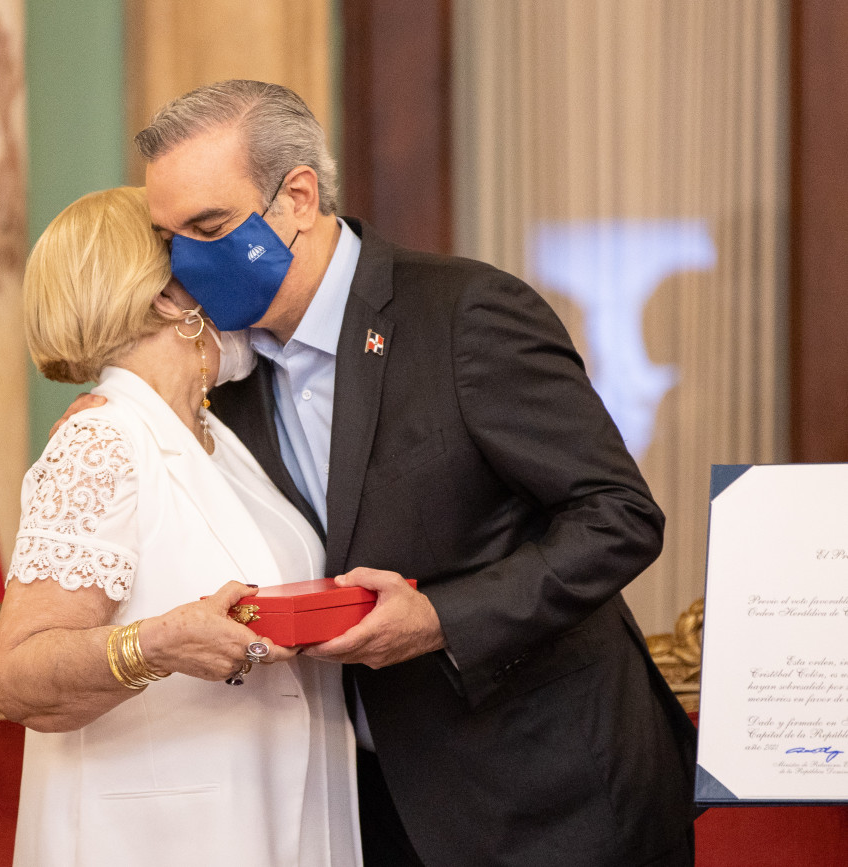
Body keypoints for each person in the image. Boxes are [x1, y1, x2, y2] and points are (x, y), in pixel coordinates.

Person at [63, 80, 698, 865]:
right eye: (169, 238)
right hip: (367, 808)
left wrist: (438, 617)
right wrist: (105, 414)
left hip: (548, 793)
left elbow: (619, 515)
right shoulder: (224, 371)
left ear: (298, 197)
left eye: (210, 227)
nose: (187, 263)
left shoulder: (464, 314)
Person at [0, 186, 361, 867]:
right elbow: (19, 674)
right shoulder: (100, 438)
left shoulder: (217, 435)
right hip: (155, 838)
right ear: (167, 295)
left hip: (279, 813)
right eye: (208, 263)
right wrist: (159, 644)